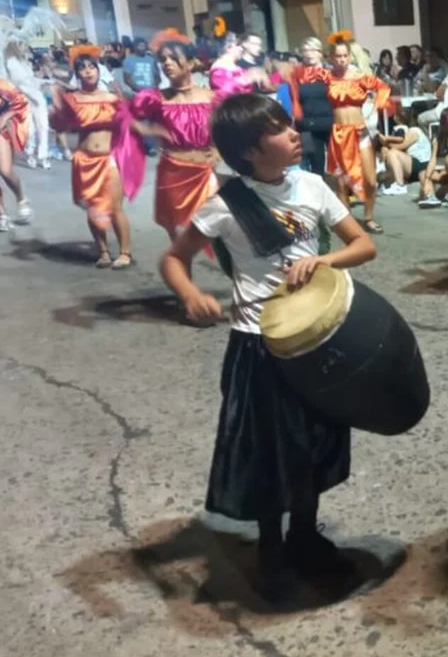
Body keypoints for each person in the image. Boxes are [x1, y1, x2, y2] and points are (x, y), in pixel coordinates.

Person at [158, 93, 377, 603]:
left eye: (288, 124)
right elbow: (174, 258)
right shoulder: (226, 205)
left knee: (315, 441)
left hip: (315, 337)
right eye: (279, 129)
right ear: (251, 152)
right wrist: (191, 293)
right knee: (268, 452)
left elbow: (363, 245)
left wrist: (325, 262)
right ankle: (272, 547)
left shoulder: (313, 186)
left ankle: (305, 534)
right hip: (258, 343)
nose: (294, 132)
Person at [117, 31, 218, 248]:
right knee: (180, 237)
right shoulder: (154, 98)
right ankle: (183, 277)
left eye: (173, 59)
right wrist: (149, 130)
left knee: (219, 233)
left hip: (206, 173)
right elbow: (126, 115)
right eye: (163, 60)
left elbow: (226, 127)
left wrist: (218, 150)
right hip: (172, 172)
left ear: (190, 64)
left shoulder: (212, 97)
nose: (167, 64)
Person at [51, 44, 132, 268]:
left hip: (109, 159)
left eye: (91, 67)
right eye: (82, 69)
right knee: (93, 208)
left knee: (115, 208)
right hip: (84, 160)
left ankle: (125, 253)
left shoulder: (112, 97)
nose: (88, 71)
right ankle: (103, 251)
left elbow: (128, 128)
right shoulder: (72, 100)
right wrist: (57, 109)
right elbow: (60, 126)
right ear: (77, 74)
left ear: (98, 70)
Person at [325, 36, 392, 234]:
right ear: (331, 57)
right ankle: (348, 222)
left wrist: (372, 114)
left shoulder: (358, 76)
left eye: (345, 55)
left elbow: (383, 89)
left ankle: (369, 217)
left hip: (359, 132)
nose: (342, 59)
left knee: (370, 180)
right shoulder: (327, 77)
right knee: (342, 182)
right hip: (338, 133)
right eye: (338, 56)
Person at [289, 37, 332, 176]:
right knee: (316, 165)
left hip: (331, 121)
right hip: (309, 124)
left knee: (339, 164)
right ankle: (319, 195)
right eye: (305, 51)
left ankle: (343, 194)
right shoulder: (297, 74)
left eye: (313, 50)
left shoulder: (330, 73)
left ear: (320, 52)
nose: (309, 54)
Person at [5, 39, 48, 170]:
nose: (25, 47)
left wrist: (44, 79)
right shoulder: (11, 62)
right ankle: (30, 154)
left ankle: (43, 156)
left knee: (44, 126)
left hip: (37, 97)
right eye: (22, 45)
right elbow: (17, 82)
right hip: (24, 99)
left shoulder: (25, 62)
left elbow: (31, 80)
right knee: (30, 129)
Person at [379, 110, 432, 195]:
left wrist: (386, 144)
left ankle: (400, 185)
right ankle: (395, 181)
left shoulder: (414, 131)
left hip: (421, 164)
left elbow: (403, 146)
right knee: (390, 153)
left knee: (393, 153)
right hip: (415, 164)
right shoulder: (409, 131)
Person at [0, 79, 29, 231]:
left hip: (0, 130)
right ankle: (2, 215)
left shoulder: (3, 85)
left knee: (5, 171)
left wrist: (4, 118)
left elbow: (21, 101)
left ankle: (21, 197)